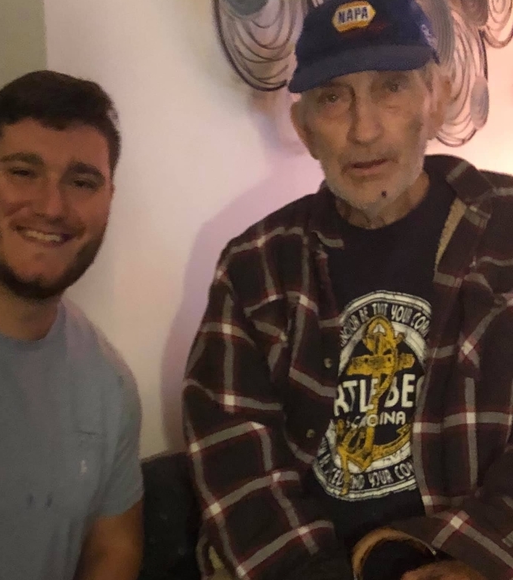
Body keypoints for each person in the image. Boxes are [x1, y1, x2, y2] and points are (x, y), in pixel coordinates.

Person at [182, 0, 513, 578]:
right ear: (305, 128)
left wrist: (481, 554)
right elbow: (235, 466)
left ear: (436, 100)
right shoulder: (254, 267)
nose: (364, 129)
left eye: (392, 87)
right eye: (334, 98)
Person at [0, 71, 143, 580]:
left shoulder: (110, 387)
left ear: (110, 199)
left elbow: (113, 549)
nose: (51, 207)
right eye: (23, 172)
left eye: (82, 182)